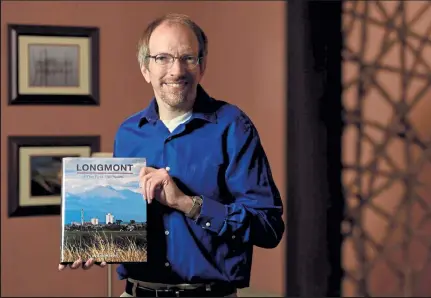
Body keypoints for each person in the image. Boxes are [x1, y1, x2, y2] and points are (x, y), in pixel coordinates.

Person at [59, 13, 285, 297]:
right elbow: (121, 223)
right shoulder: (128, 133)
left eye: (187, 58)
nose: (176, 71)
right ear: (145, 69)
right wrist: (98, 244)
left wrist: (188, 204)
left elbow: (268, 227)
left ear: (201, 66)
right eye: (162, 58)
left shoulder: (234, 127)